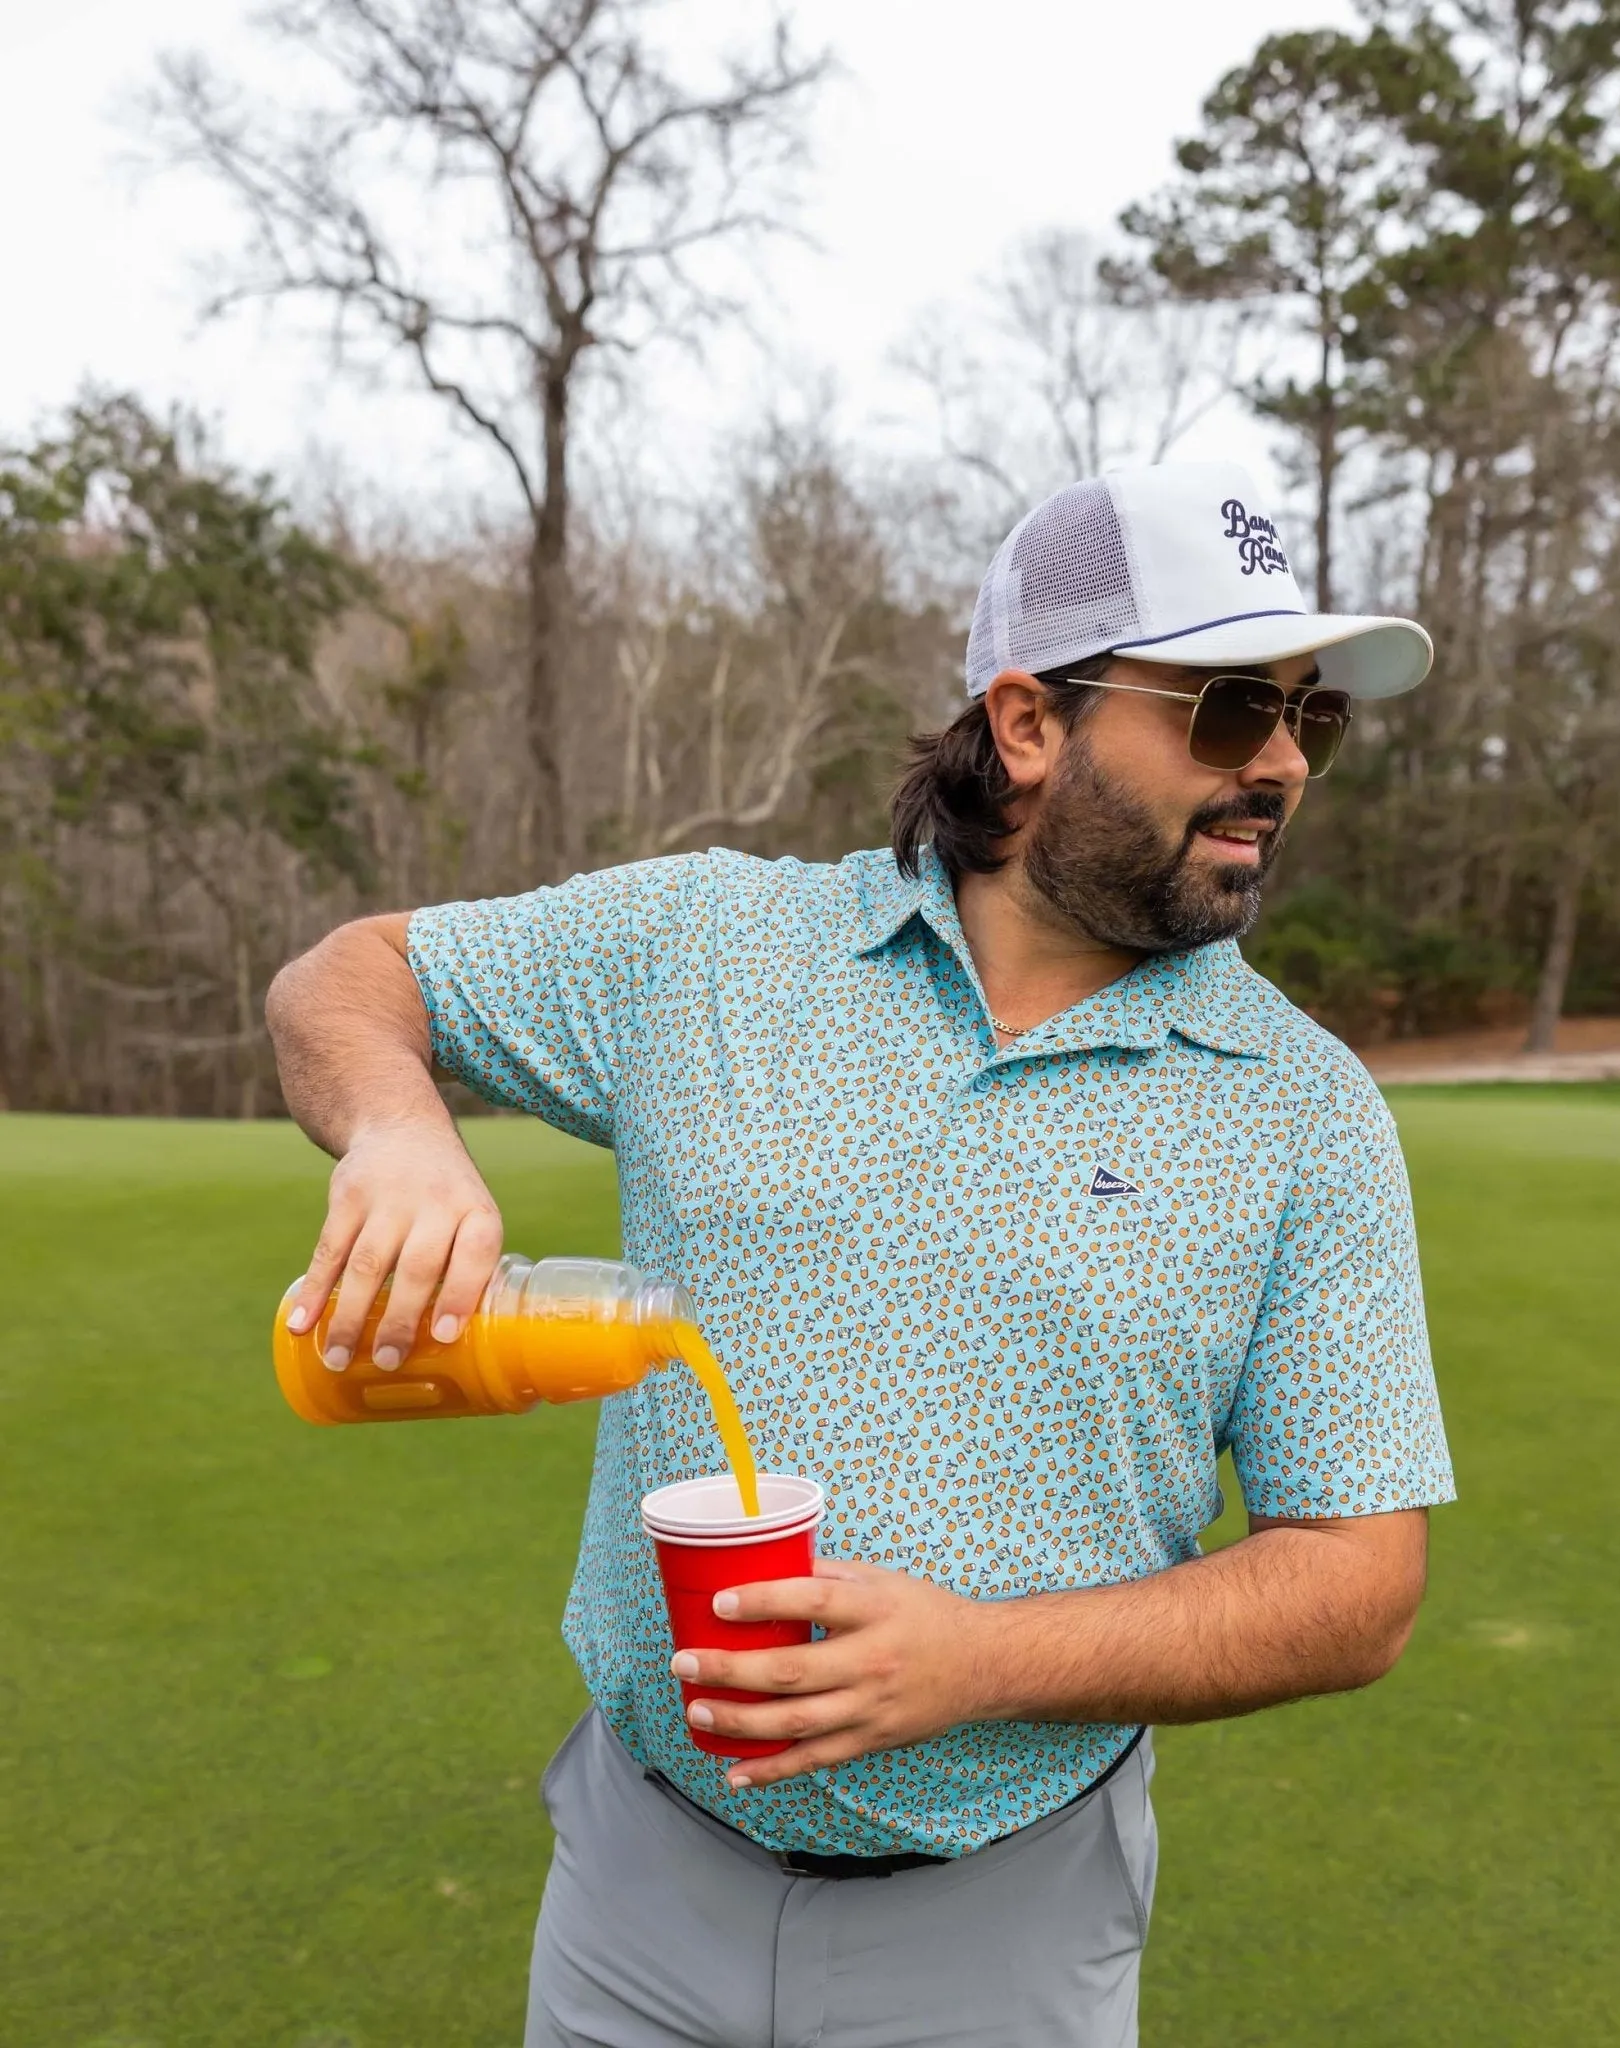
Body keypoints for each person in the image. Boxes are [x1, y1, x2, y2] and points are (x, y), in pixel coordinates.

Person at [268, 462, 1456, 2048]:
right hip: (640, 1878)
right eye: (1232, 708)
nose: (1281, 769)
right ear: (1028, 724)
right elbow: (344, 981)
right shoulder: (709, 947)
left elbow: (1356, 1585)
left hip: (1004, 1924)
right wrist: (403, 1133)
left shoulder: (1305, 1113)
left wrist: (981, 1663)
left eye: (1313, 721)